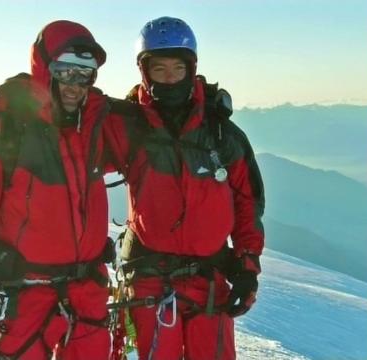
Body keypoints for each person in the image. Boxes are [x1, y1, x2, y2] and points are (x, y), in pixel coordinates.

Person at [0, 20, 128, 360]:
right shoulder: (11, 130)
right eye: (66, 71)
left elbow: (154, 140)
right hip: (25, 296)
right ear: (45, 68)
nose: (75, 84)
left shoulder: (96, 127)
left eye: (85, 74)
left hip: (86, 295)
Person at [104, 16, 265, 360]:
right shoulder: (126, 126)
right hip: (149, 276)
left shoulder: (222, 134)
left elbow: (247, 204)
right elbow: (74, 153)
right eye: (159, 70)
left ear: (191, 69)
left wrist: (247, 267)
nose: (169, 79)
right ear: (144, 72)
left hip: (209, 279)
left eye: (177, 69)